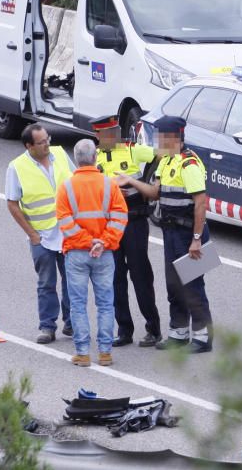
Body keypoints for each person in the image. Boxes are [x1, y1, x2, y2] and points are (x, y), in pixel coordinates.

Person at [119, 116, 213, 354]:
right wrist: (130, 181)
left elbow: (201, 204)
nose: (157, 141)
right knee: (174, 285)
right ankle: (178, 333)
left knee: (192, 285)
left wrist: (196, 239)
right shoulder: (166, 161)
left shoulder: (189, 165)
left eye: (160, 137)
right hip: (171, 232)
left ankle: (203, 337)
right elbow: (154, 193)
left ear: (173, 138)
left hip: (188, 232)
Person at [56, 139, 129, 367]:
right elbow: (120, 217)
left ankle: (83, 353)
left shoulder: (66, 187)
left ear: (76, 160)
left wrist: (87, 242)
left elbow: (65, 221)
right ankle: (105, 353)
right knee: (106, 303)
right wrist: (102, 242)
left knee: (78, 304)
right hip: (104, 253)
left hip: (77, 253)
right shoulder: (110, 185)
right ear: (95, 158)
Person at [93, 116, 162, 348]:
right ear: (98, 137)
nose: (114, 136)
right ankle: (124, 329)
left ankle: (153, 328)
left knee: (141, 276)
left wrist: (148, 181)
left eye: (115, 130)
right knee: (115, 278)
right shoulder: (94, 159)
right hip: (110, 225)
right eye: (108, 133)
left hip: (133, 222)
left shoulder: (131, 149)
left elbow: (161, 154)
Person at [5, 124, 75, 344]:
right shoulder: (17, 167)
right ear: (29, 146)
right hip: (41, 236)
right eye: (42, 142)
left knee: (71, 280)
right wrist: (32, 235)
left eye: (48, 139)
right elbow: (13, 204)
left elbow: (76, 183)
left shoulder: (60, 154)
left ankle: (72, 322)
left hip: (67, 232)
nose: (47, 144)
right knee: (46, 283)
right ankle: (47, 326)